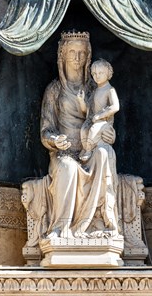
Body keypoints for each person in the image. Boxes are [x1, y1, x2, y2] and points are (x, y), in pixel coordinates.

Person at [40, 32, 120, 239]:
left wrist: (109, 133)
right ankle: (61, 228)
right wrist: (54, 140)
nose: (77, 58)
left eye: (82, 53)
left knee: (104, 154)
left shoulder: (95, 88)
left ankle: (103, 223)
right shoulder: (54, 89)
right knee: (67, 168)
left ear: (88, 57)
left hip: (91, 147)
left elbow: (106, 115)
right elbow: (46, 128)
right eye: (72, 53)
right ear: (62, 56)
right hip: (64, 152)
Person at [77, 58, 120, 162]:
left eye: (101, 73)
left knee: (93, 129)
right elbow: (87, 109)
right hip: (93, 119)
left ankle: (88, 150)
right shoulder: (95, 91)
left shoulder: (110, 90)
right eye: (94, 73)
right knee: (84, 129)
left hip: (104, 122)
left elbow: (115, 106)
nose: (97, 76)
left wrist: (100, 116)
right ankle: (86, 148)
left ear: (108, 73)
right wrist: (81, 101)